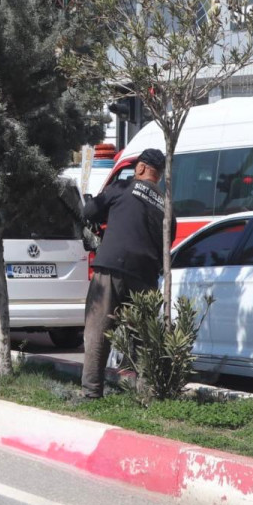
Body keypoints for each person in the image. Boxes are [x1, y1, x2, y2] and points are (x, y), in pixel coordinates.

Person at [80, 148, 175, 399]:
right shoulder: (166, 206)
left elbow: (90, 211)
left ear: (142, 169)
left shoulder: (123, 187)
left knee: (98, 331)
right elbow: (167, 245)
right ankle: (146, 395)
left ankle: (91, 393)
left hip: (111, 268)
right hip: (145, 278)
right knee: (142, 339)